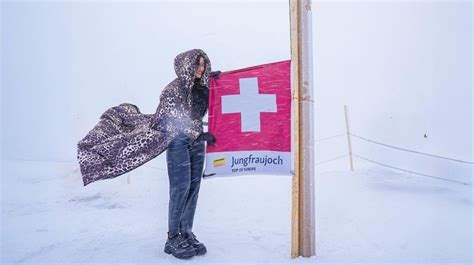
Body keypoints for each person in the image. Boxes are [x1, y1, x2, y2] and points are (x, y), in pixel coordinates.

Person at [161, 49, 220, 259]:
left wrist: (219, 83)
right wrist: (198, 133)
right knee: (181, 188)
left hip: (197, 141)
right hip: (178, 141)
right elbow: (170, 117)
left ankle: (186, 232)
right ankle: (172, 237)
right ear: (186, 65)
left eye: (203, 64)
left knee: (194, 187)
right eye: (196, 64)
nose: (200, 68)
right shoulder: (173, 89)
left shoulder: (203, 87)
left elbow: (216, 105)